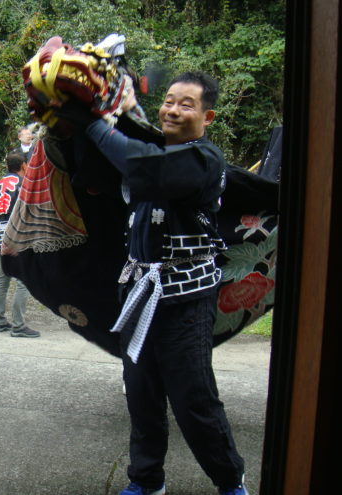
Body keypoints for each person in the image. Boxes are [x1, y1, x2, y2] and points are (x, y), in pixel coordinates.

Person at [57, 72, 248, 495]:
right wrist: (80, 111)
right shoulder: (153, 149)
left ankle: (230, 482)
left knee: (193, 400)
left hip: (186, 297)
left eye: (186, 104)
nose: (173, 110)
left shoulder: (202, 160)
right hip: (141, 293)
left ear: (207, 115)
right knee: (141, 395)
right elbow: (102, 167)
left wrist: (92, 122)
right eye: (169, 101)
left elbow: (140, 166)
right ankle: (146, 481)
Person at [0, 152, 40, 338]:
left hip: (0, 233)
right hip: (18, 234)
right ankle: (18, 325)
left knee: (2, 279)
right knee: (23, 280)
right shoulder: (23, 185)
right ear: (24, 165)